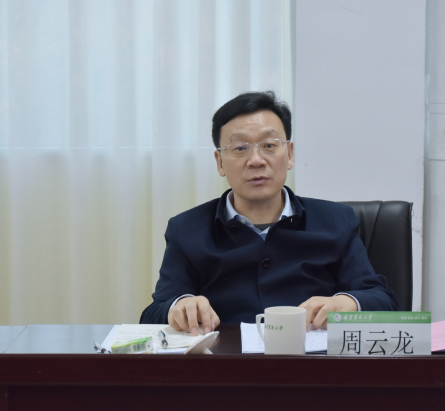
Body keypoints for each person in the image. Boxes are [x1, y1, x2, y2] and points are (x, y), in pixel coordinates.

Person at [140, 91, 398, 335]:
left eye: (269, 145)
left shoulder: (336, 221)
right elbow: (152, 315)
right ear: (220, 162)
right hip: (226, 362)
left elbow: (383, 301)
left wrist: (344, 303)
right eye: (240, 148)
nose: (256, 160)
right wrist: (180, 305)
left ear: (290, 154)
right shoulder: (186, 229)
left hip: (310, 361)